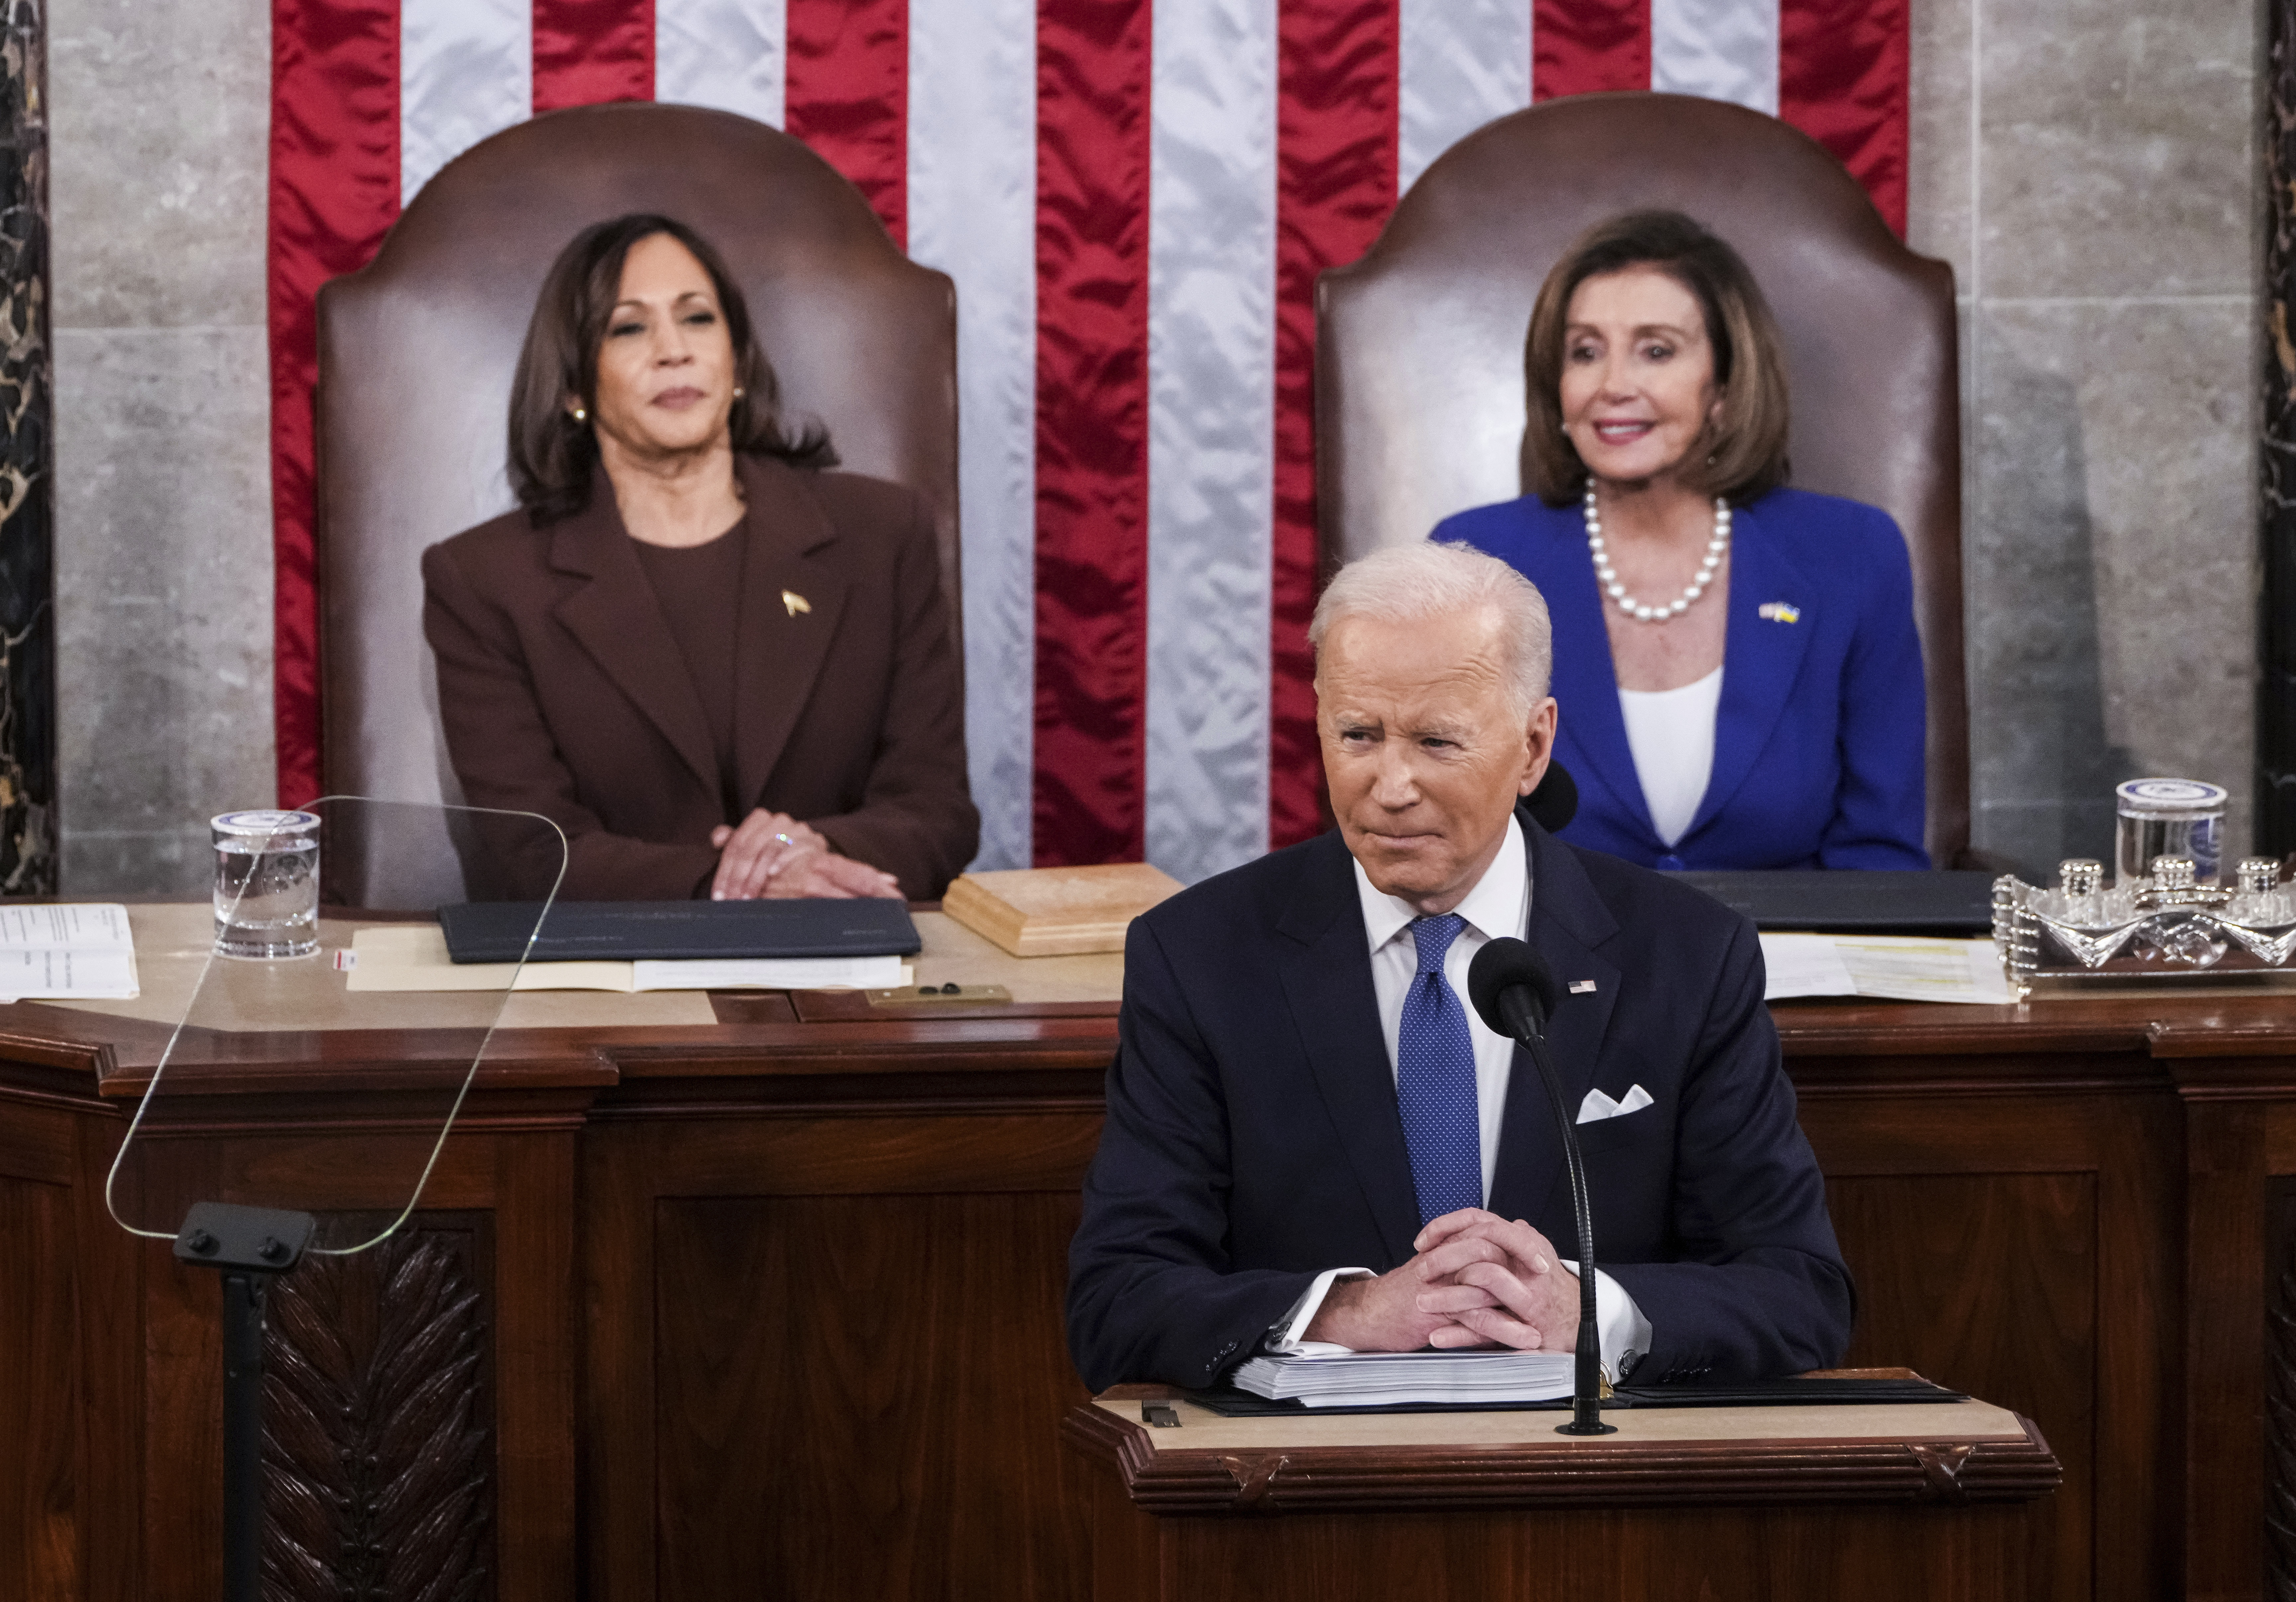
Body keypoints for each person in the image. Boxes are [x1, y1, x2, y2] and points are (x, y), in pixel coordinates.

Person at [1065, 542, 1851, 1394]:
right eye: (1357, 734)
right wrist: (1348, 1314)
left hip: (1595, 1484)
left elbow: (1797, 1290)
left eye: (1438, 741)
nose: (1389, 784)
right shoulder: (1200, 955)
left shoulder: (1687, 956)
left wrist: (1587, 1311)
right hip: (1307, 1489)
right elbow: (1118, 1299)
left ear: (1531, 746)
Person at [422, 213, 978, 902]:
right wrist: (733, 881)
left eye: (697, 319)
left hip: (847, 957)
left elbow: (936, 809)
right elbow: (534, 852)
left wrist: (810, 856)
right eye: (628, 327)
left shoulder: (882, 533)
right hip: (612, 987)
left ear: (738, 358)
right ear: (572, 387)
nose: (672, 350)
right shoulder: (484, 580)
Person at [1438, 209, 1930, 872]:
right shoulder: (1472, 562)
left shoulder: (1852, 555)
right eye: (1584, 351)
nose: (1612, 385)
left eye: (1656, 349)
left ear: (1724, 388)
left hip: (1791, 966)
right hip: (1549, 963)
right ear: (1557, 391)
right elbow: (1438, 831)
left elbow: (1880, 859)